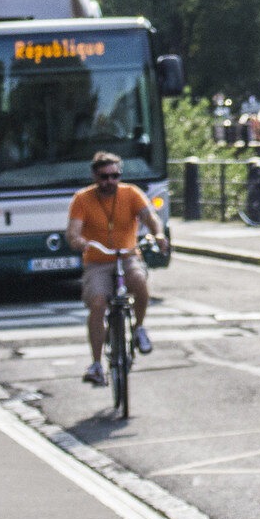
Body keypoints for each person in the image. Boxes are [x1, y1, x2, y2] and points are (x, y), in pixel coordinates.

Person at [67, 150, 166, 386]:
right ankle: (96, 364)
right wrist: (78, 241)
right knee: (99, 303)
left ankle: (139, 327)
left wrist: (159, 234)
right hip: (97, 260)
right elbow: (73, 231)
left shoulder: (131, 193)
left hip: (127, 255)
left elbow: (150, 217)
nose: (109, 181)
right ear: (95, 176)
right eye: (104, 176)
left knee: (140, 283)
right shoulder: (82, 199)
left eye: (114, 176)